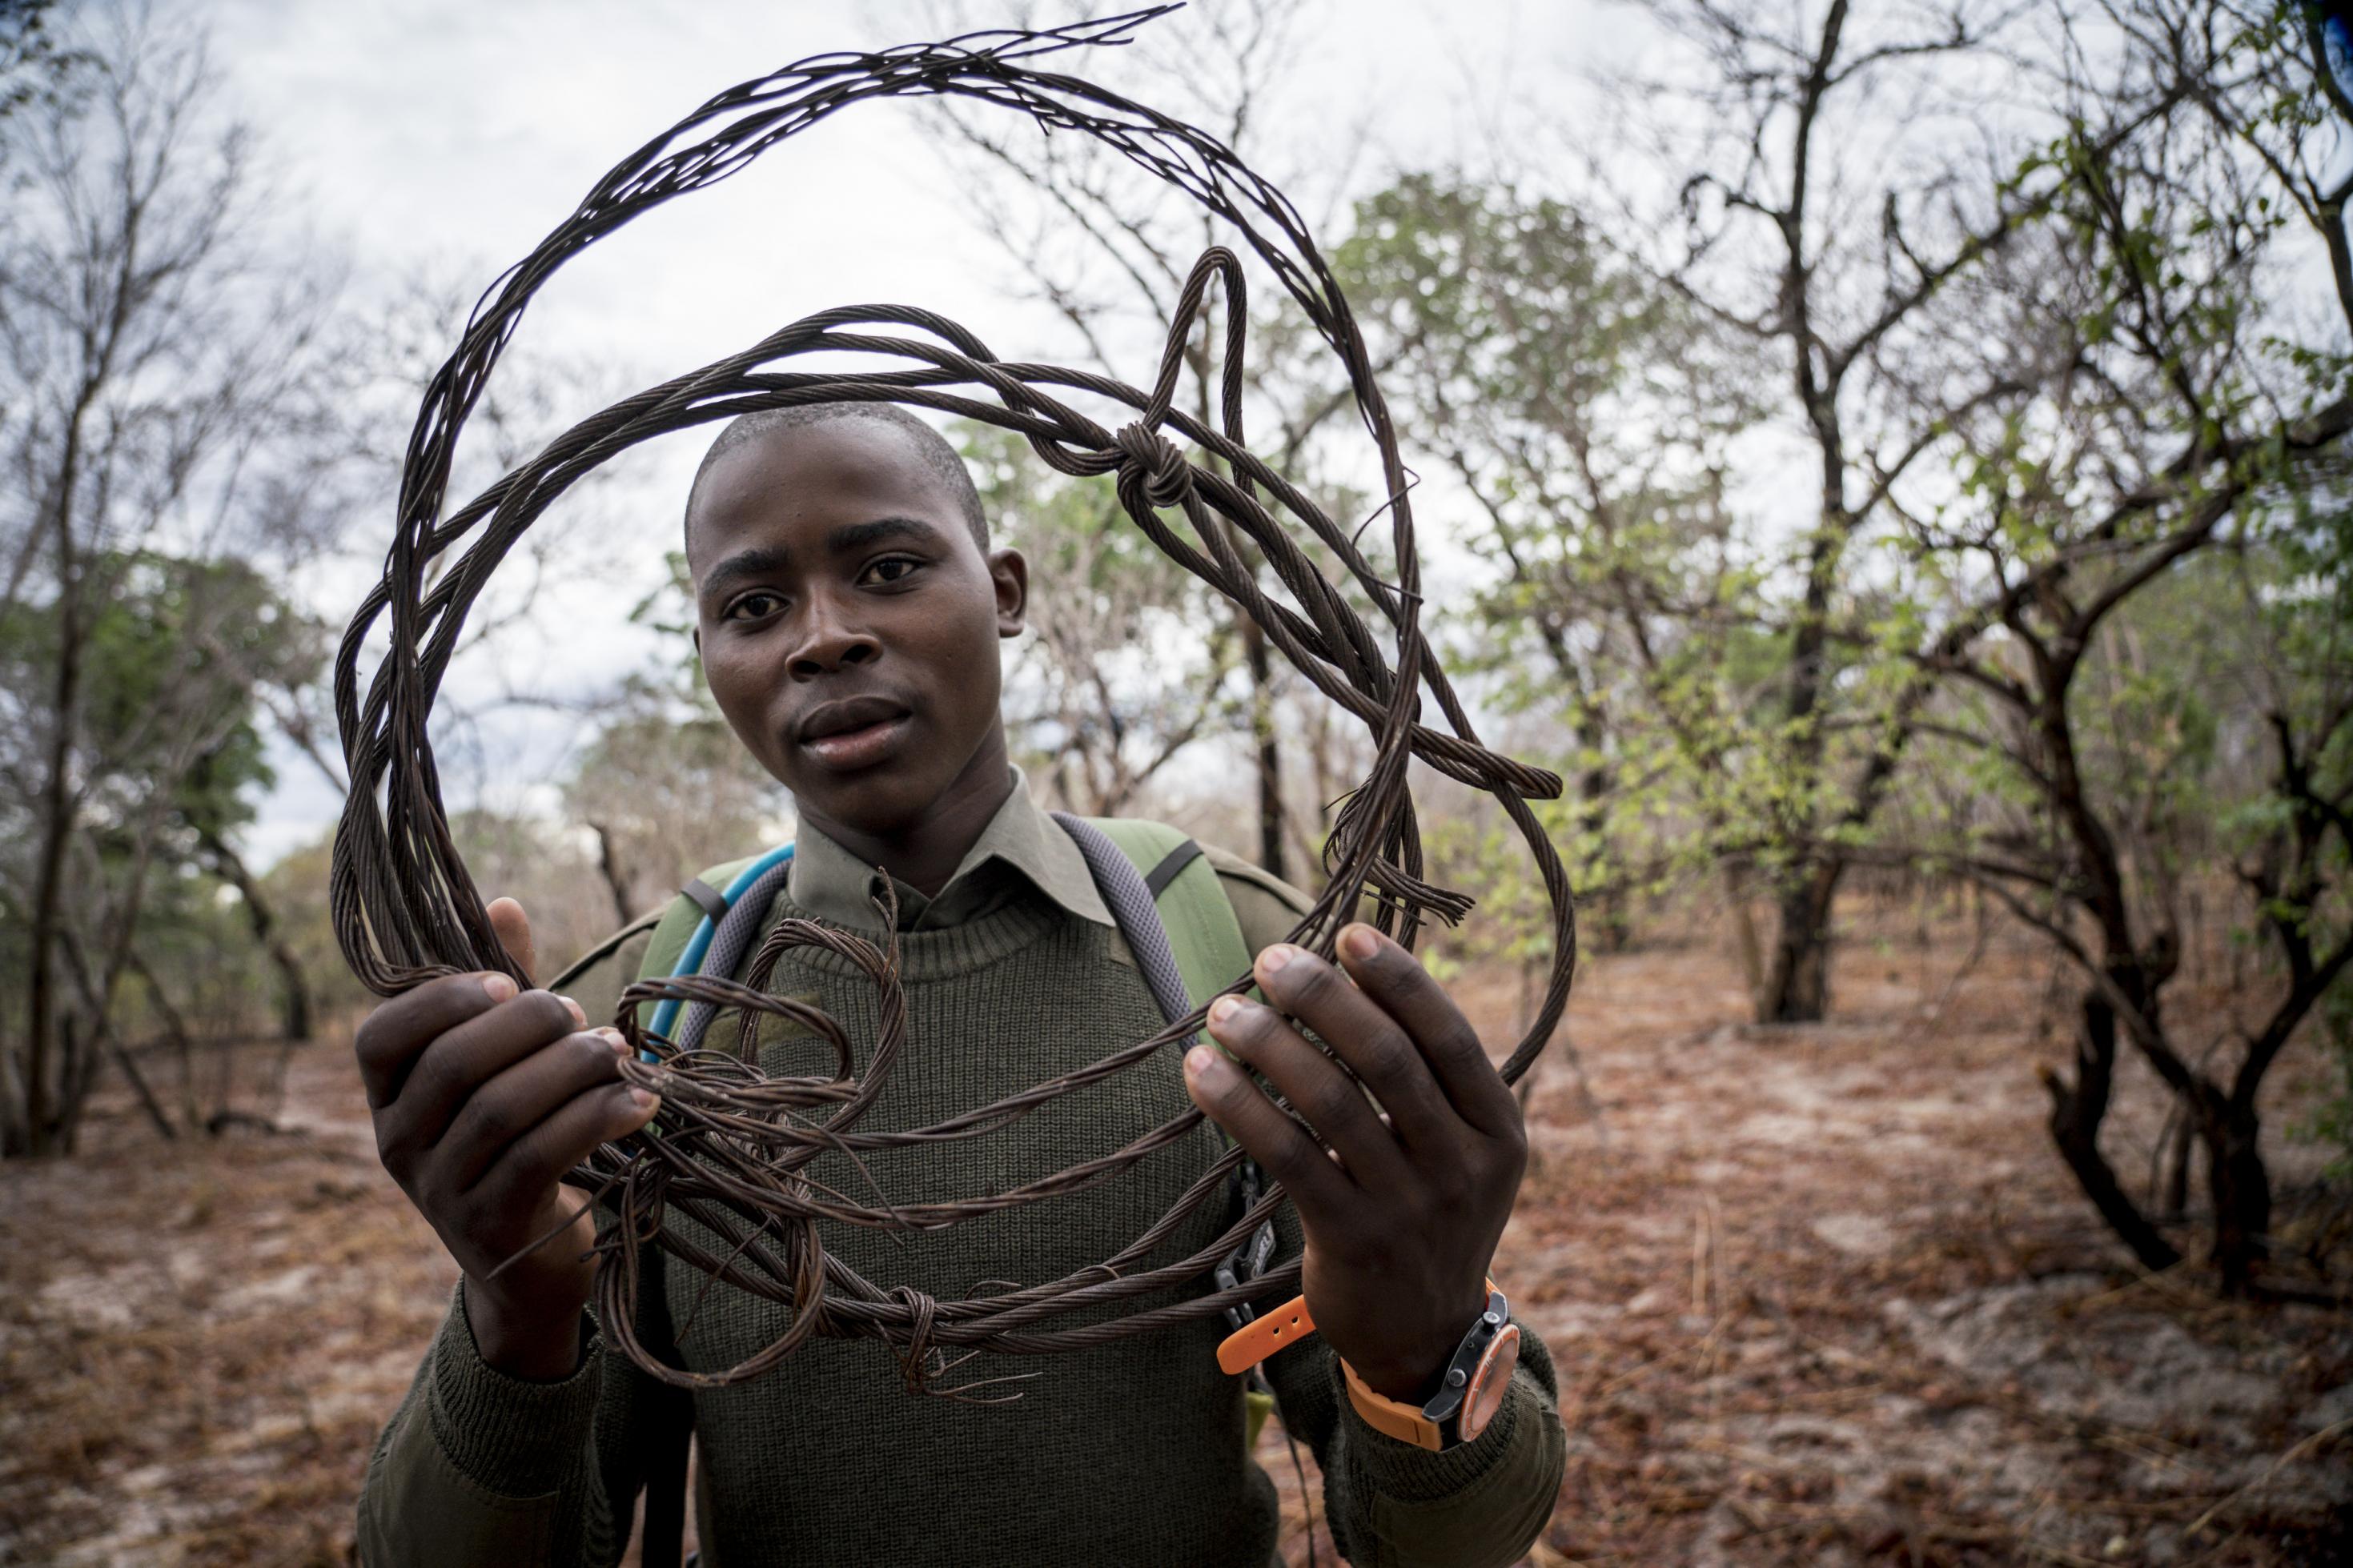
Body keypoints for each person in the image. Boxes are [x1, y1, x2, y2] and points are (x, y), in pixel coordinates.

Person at [350, 404, 1567, 1567]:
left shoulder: (1230, 950)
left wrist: (1427, 1350)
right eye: (755, 603)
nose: (822, 635)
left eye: (886, 569)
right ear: (711, 653)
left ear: (1006, 589)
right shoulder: (638, 1017)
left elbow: (1447, 1542)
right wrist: (510, 1316)